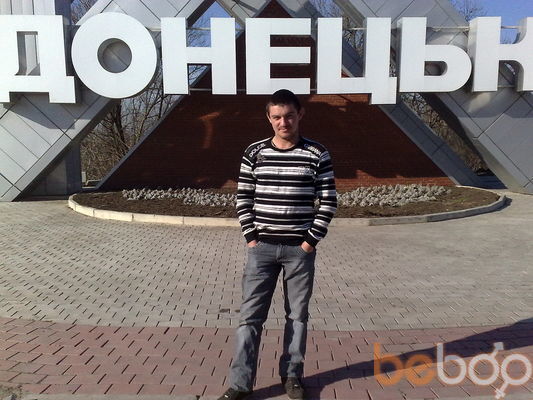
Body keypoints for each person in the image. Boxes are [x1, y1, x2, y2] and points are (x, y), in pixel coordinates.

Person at [218, 89, 337, 400]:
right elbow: (243, 199)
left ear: (300, 115)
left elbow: (328, 201)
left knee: (297, 316)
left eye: (289, 116)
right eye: (277, 117)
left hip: (299, 251)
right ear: (269, 118)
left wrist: (309, 242)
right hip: (262, 250)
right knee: (250, 318)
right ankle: (240, 384)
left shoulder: (317, 153)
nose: (283, 122)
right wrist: (251, 238)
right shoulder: (254, 153)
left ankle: (292, 376)